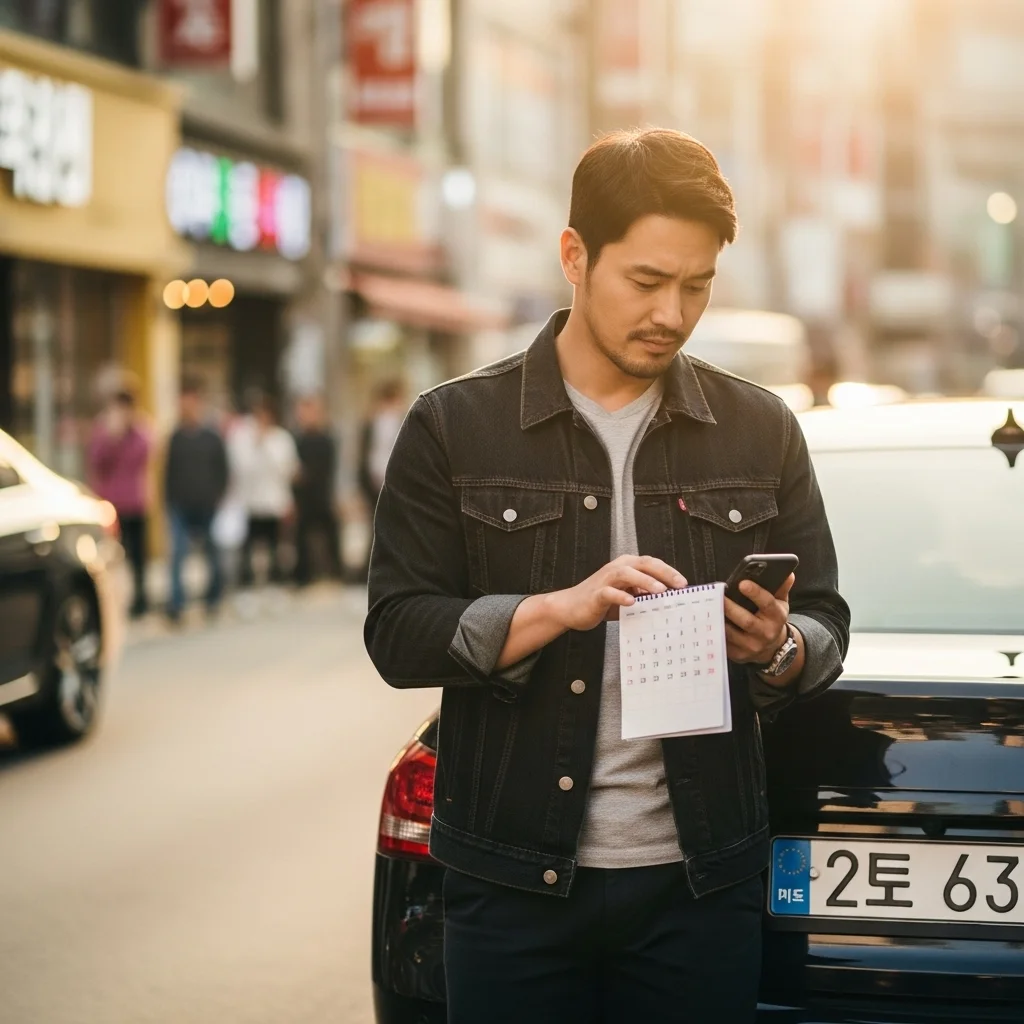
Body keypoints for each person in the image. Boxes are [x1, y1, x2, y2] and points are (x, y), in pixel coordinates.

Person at [364, 128, 851, 1024]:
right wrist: (555, 609)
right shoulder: (455, 427)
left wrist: (776, 646)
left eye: (696, 285)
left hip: (697, 888)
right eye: (647, 281)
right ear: (575, 257)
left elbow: (823, 621)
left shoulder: (761, 429)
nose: (672, 311)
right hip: (510, 886)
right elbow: (396, 630)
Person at [164, 379, 228, 623]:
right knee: (178, 554)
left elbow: (222, 470)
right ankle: (177, 604)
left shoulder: (212, 437)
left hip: (207, 505)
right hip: (180, 504)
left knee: (212, 554)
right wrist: (168, 502)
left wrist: (217, 496)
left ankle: (213, 598)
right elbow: (168, 473)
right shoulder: (176, 437)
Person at [87, 389, 152, 618]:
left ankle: (141, 600)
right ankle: (111, 602)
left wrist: (126, 432)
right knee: (111, 556)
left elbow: (144, 455)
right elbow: (96, 461)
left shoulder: (140, 432)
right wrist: (111, 437)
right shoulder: (102, 432)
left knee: (138, 556)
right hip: (111, 505)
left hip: (136, 503)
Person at [228, 392, 299, 588]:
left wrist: (266, 446)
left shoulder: (282, 439)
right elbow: (241, 469)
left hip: (275, 502)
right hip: (251, 502)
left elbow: (287, 470)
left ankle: (276, 578)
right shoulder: (242, 439)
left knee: (276, 545)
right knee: (249, 545)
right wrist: (256, 444)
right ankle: (247, 580)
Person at [292, 393, 343, 586]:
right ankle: (302, 576)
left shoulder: (326, 439)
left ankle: (335, 573)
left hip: (322, 495)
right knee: (301, 537)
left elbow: (326, 470)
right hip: (303, 498)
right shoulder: (296, 439)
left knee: (331, 534)